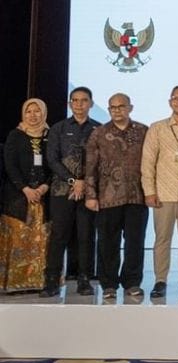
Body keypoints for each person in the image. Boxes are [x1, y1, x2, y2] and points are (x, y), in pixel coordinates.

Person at [84, 93, 149, 302]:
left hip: (137, 196)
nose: (117, 110)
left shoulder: (143, 131)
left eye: (121, 106)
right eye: (113, 107)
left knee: (135, 242)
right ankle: (109, 284)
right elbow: (90, 166)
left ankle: (132, 282)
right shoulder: (99, 133)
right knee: (107, 243)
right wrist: (91, 195)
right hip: (107, 197)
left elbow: (151, 163)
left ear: (130, 108)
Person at [141, 85, 178, 298]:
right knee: (162, 239)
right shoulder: (157, 128)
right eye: (175, 98)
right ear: (169, 102)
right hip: (162, 194)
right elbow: (148, 162)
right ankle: (160, 281)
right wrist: (149, 191)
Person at [42, 87, 100, 297]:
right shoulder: (58, 128)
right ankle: (52, 281)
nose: (79, 104)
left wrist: (84, 182)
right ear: (70, 104)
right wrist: (73, 180)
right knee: (59, 236)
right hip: (61, 190)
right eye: (75, 100)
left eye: (84, 100)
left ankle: (84, 279)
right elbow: (52, 159)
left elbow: (100, 161)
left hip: (88, 191)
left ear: (91, 103)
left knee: (86, 236)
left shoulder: (98, 128)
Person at [1, 98, 51, 293]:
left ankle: (39, 283)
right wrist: (25, 189)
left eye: (37, 111)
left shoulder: (50, 135)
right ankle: (15, 283)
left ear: (43, 113)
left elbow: (54, 163)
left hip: (43, 197)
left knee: (41, 240)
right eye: (29, 111)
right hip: (18, 197)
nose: (33, 115)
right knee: (19, 239)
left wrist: (45, 186)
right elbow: (10, 165)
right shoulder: (15, 135)